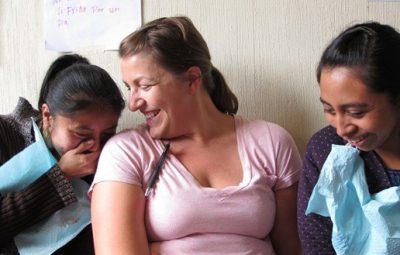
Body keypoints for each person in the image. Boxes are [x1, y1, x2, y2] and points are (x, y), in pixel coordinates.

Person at [91, 16, 302, 255]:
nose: (133, 104)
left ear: (192, 79)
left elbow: (293, 248)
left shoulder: (272, 142)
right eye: (130, 88)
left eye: (145, 86)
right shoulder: (126, 152)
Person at [0, 54, 125, 254]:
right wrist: (61, 175)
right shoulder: (6, 135)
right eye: (81, 134)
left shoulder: (112, 156)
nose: (94, 147)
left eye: (107, 134)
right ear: (48, 117)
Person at [297, 21, 400, 254]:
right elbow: (317, 246)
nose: (342, 129)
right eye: (330, 110)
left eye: (356, 113)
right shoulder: (325, 150)